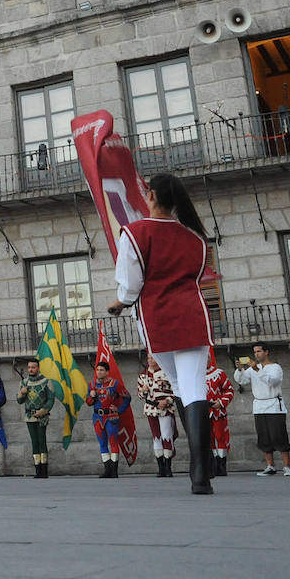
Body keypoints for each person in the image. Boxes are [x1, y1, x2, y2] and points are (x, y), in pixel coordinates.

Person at [107, 173, 216, 495]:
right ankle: (201, 472)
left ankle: (199, 468)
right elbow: (197, 275)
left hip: (157, 319)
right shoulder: (196, 238)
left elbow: (131, 283)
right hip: (192, 315)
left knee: (182, 384)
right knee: (192, 385)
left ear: (150, 195)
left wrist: (121, 302)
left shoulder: (135, 233)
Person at [233, 343, 290, 476]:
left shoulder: (275, 367)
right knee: (263, 436)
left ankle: (287, 466)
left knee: (279, 435)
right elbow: (242, 380)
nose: (256, 354)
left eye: (259, 351)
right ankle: (270, 466)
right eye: (255, 352)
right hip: (259, 406)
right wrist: (240, 369)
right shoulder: (253, 368)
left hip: (274, 405)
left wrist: (257, 371)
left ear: (266, 352)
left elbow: (273, 382)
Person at [85, 361, 131, 478]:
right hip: (97, 418)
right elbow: (88, 403)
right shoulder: (92, 385)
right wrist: (91, 396)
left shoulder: (115, 384)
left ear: (107, 372)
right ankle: (107, 470)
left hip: (111, 417)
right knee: (102, 443)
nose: (99, 372)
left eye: (101, 370)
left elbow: (127, 397)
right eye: (97, 370)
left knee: (113, 442)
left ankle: (114, 470)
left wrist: (119, 410)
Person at [135, 355, 178, 477]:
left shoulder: (167, 373)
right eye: (148, 358)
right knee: (156, 437)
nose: (150, 360)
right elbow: (140, 396)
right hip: (150, 409)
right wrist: (143, 391)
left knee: (166, 436)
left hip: (165, 409)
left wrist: (167, 401)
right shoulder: (142, 376)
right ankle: (161, 468)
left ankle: (168, 466)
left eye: (152, 358)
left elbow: (176, 390)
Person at [18, 358, 55, 479]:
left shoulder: (46, 381)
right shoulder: (24, 383)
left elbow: (51, 399)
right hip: (29, 416)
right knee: (34, 442)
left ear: (38, 368)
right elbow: (19, 401)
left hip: (42, 415)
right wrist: (22, 393)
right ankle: (37, 469)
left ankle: (44, 469)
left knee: (41, 441)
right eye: (29, 367)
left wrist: (43, 411)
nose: (31, 369)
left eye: (33, 367)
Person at [206, 357, 235, 476]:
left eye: (206, 358)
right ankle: (214, 465)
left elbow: (229, 390)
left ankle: (222, 465)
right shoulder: (195, 376)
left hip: (218, 410)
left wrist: (221, 402)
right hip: (204, 411)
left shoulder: (219, 373)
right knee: (209, 438)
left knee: (220, 436)